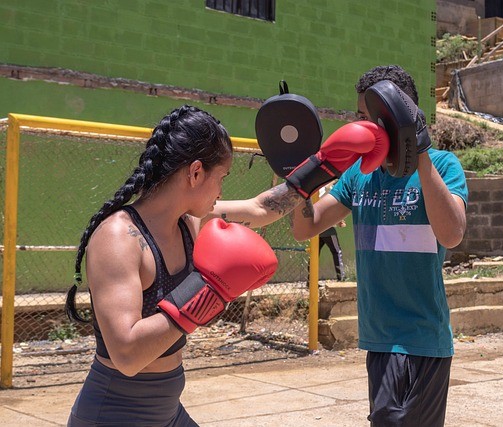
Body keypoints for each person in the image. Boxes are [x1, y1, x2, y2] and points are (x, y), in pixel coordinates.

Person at [64, 104, 390, 426]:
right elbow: (127, 356)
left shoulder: (188, 222)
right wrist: (210, 290)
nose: (222, 189)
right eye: (221, 177)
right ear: (195, 173)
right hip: (113, 415)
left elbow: (262, 208)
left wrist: (323, 167)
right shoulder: (119, 238)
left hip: (166, 410)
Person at [289, 65, 468, 426]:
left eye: (370, 118)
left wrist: (418, 153)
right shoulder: (359, 174)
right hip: (380, 340)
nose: (362, 127)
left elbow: (451, 234)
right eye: (358, 117)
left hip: (422, 339)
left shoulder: (443, 166)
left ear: (400, 119)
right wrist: (301, 178)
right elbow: (305, 227)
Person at [318, 184, 346, 281]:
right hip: (327, 228)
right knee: (337, 252)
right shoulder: (328, 190)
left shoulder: (318, 191)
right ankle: (341, 277)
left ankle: (310, 281)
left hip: (316, 229)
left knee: (314, 253)